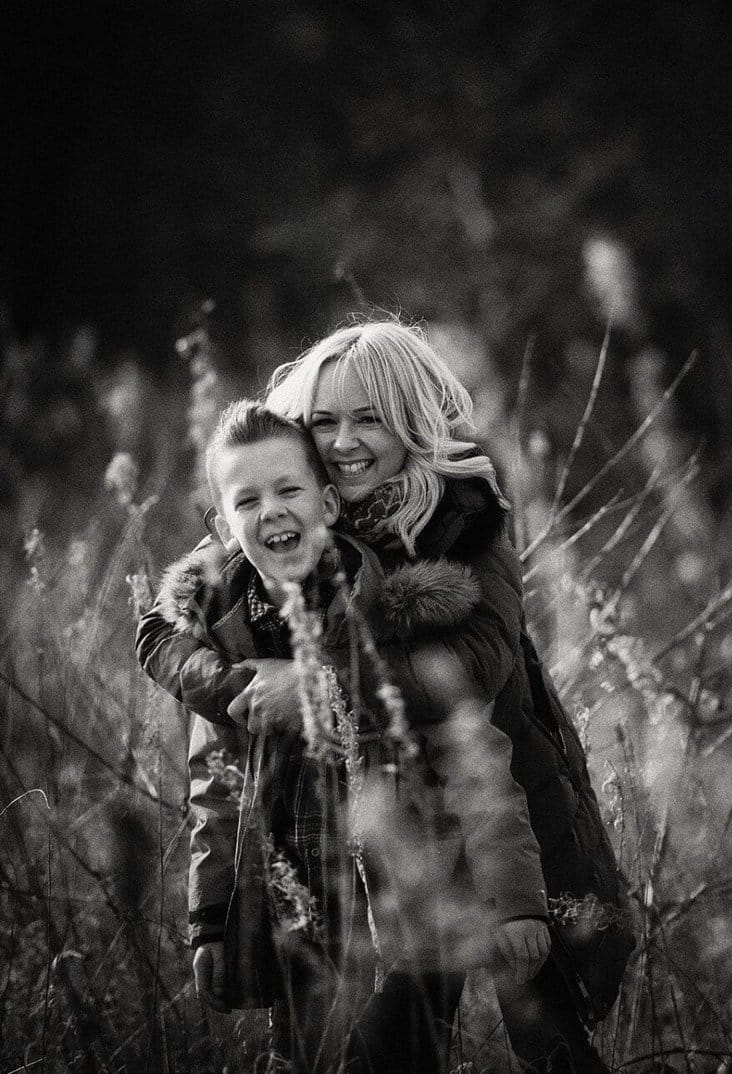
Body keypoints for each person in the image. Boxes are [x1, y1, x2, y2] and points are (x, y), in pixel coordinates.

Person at [139, 321, 632, 1073]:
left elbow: (480, 663)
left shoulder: (463, 517)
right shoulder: (283, 510)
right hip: (377, 838)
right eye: (324, 421)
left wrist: (321, 686)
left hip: (500, 801)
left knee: (544, 1020)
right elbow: (167, 627)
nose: (343, 441)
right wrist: (239, 687)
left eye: (368, 417)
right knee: (395, 1029)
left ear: (409, 419)